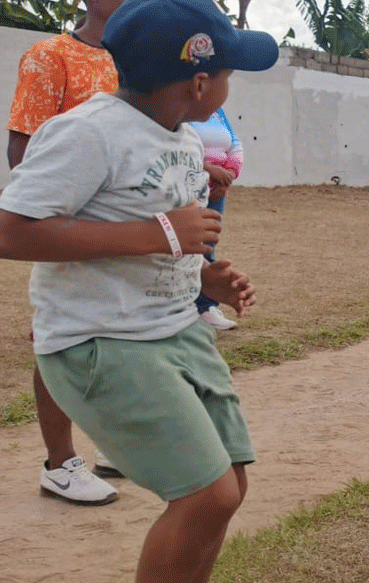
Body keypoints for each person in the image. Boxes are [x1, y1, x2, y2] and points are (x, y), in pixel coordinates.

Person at [0, 0, 277, 580]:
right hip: (103, 341)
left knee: (230, 484)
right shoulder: (88, 132)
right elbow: (10, 230)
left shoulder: (182, 142)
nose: (230, 86)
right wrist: (155, 232)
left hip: (174, 330)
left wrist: (204, 277)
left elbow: (161, 241)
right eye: (227, 75)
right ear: (200, 83)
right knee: (208, 495)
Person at [6, 0, 124, 505]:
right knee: (63, 338)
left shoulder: (135, 58)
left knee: (120, 334)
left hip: (128, 223)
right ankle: (59, 463)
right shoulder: (50, 54)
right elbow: (23, 150)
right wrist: (55, 220)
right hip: (72, 223)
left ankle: (113, 443)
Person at [188, 107, 244, 330]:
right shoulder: (177, 105)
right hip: (189, 186)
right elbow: (173, 148)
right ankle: (191, 307)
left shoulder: (217, 111)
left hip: (217, 191)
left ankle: (206, 308)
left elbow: (234, 143)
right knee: (189, 248)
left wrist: (227, 176)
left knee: (208, 248)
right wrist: (208, 172)